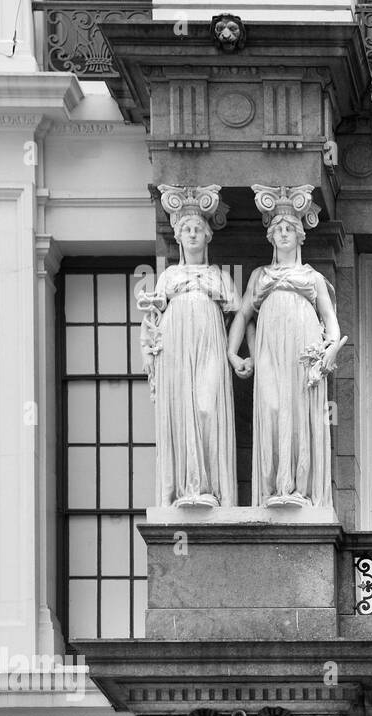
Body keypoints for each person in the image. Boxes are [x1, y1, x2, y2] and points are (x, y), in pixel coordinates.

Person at [227, 184, 345, 508]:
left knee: (298, 413)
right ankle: (272, 488)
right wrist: (233, 353)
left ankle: (297, 489)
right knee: (272, 407)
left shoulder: (313, 277)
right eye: (277, 229)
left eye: (288, 229)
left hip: (302, 347)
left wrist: (330, 349)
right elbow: (243, 314)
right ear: (271, 237)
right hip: (268, 349)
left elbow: (331, 322)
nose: (282, 234)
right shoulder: (260, 275)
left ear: (298, 236)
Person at [139, 185, 238, 508]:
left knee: (207, 407)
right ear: (178, 238)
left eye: (198, 229)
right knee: (183, 411)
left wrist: (236, 355)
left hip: (209, 344)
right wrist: (150, 310)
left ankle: (211, 485)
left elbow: (241, 315)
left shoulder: (221, 277)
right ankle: (188, 489)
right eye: (186, 230)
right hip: (176, 347)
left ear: (208, 236)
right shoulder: (168, 276)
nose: (193, 234)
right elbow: (152, 320)